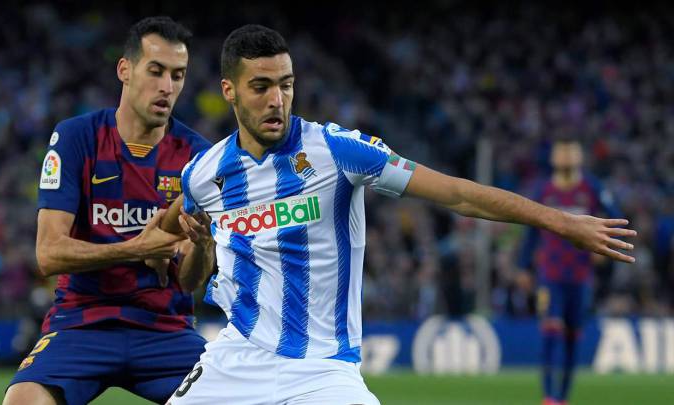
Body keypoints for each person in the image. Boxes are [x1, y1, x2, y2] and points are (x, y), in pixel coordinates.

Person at [161, 25, 636, 405]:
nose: (277, 101)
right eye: (260, 87)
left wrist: (561, 220)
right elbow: (185, 277)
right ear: (229, 90)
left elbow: (457, 193)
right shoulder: (204, 175)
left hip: (323, 370)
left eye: (285, 85)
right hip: (237, 359)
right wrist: (193, 250)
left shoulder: (338, 150)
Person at [3, 16, 215, 405]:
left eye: (178, 75)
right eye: (156, 71)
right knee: (23, 400)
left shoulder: (198, 157)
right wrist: (138, 248)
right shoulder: (75, 138)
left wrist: (203, 247)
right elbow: (48, 254)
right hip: (82, 323)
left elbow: (187, 282)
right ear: (125, 70)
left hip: (166, 329)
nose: (167, 87)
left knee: (241, 398)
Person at [519, 138, 620, 405]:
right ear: (553, 157)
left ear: (578, 155)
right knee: (551, 332)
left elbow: (615, 216)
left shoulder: (592, 188)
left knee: (573, 338)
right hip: (550, 275)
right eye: (560, 151)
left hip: (580, 276)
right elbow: (530, 230)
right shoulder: (544, 190)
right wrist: (523, 266)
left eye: (569, 151)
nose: (565, 156)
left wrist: (604, 247)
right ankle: (549, 397)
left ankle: (562, 397)